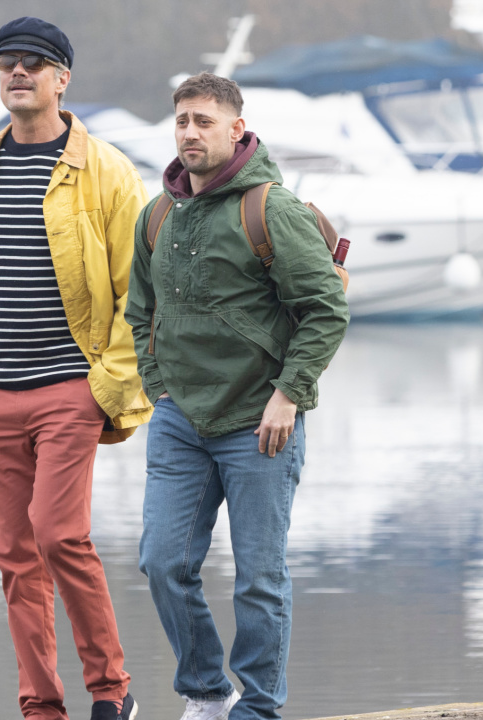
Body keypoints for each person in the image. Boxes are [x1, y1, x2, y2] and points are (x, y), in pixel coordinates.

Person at [0, 16, 151, 720]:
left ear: (63, 79)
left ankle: (111, 691)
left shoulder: (107, 169)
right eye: (7, 63)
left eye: (34, 62)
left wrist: (104, 389)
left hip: (67, 393)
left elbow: (135, 294)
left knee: (61, 537)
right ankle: (40, 705)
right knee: (14, 558)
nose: (18, 73)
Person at [126, 72, 349, 720]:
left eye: (203, 120)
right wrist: (157, 386)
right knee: (163, 563)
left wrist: (289, 394)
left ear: (236, 129)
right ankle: (205, 689)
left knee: (258, 580)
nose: (190, 132)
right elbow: (141, 310)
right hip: (179, 419)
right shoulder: (158, 213)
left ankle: (257, 708)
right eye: (182, 121)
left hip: (260, 421)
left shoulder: (271, 208)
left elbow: (325, 311)